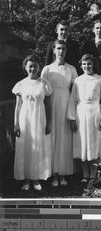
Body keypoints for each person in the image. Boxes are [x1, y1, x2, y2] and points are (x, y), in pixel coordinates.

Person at [67, 54, 101, 183]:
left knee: (94, 143)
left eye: (89, 64)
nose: (87, 66)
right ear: (81, 65)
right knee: (83, 143)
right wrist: (72, 118)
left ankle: (93, 174)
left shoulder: (99, 80)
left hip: (95, 113)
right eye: (84, 64)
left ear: (94, 65)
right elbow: (73, 100)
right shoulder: (78, 80)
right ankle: (85, 174)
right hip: (81, 114)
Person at [41, 40, 78, 187]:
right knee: (53, 137)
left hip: (67, 103)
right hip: (52, 104)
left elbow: (76, 90)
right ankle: (53, 174)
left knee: (65, 138)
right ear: (54, 50)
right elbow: (42, 92)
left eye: (63, 49)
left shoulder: (72, 69)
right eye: (58, 49)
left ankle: (63, 173)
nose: (61, 51)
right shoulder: (47, 69)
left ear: (66, 50)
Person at [12, 55, 52, 191]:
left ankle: (36, 178)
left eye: (35, 66)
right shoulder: (21, 84)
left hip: (40, 118)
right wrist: (16, 124)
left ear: (38, 67)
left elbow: (48, 105)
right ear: (25, 67)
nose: (32, 69)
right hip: (25, 118)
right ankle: (26, 179)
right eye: (30, 66)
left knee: (38, 146)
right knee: (27, 146)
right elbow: (18, 106)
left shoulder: (44, 83)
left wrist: (49, 123)